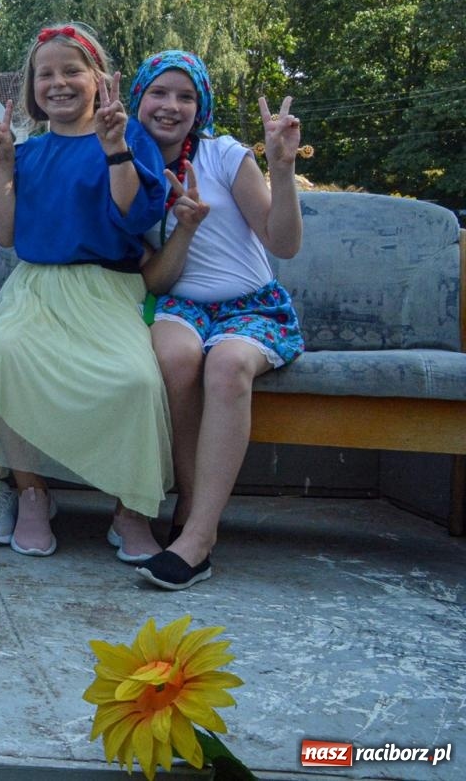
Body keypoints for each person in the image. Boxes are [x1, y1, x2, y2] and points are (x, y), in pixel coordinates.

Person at [0, 23, 170, 559]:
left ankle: (131, 508)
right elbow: (5, 236)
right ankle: (32, 493)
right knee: (1, 350)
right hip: (36, 288)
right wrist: (3, 165)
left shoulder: (127, 137)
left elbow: (133, 215)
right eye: (44, 74)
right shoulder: (29, 154)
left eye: (71, 70)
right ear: (31, 88)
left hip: (107, 288)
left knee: (137, 380)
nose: (58, 82)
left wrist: (115, 147)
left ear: (98, 79)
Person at [132, 50, 305, 589]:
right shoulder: (123, 169)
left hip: (250, 306)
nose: (171, 105)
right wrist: (182, 226)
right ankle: (190, 506)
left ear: (200, 107)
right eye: (160, 92)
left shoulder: (225, 155)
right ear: (139, 97)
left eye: (186, 96)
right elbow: (155, 281)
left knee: (227, 366)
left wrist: (282, 167)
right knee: (174, 357)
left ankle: (198, 538)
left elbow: (284, 244)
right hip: (180, 307)